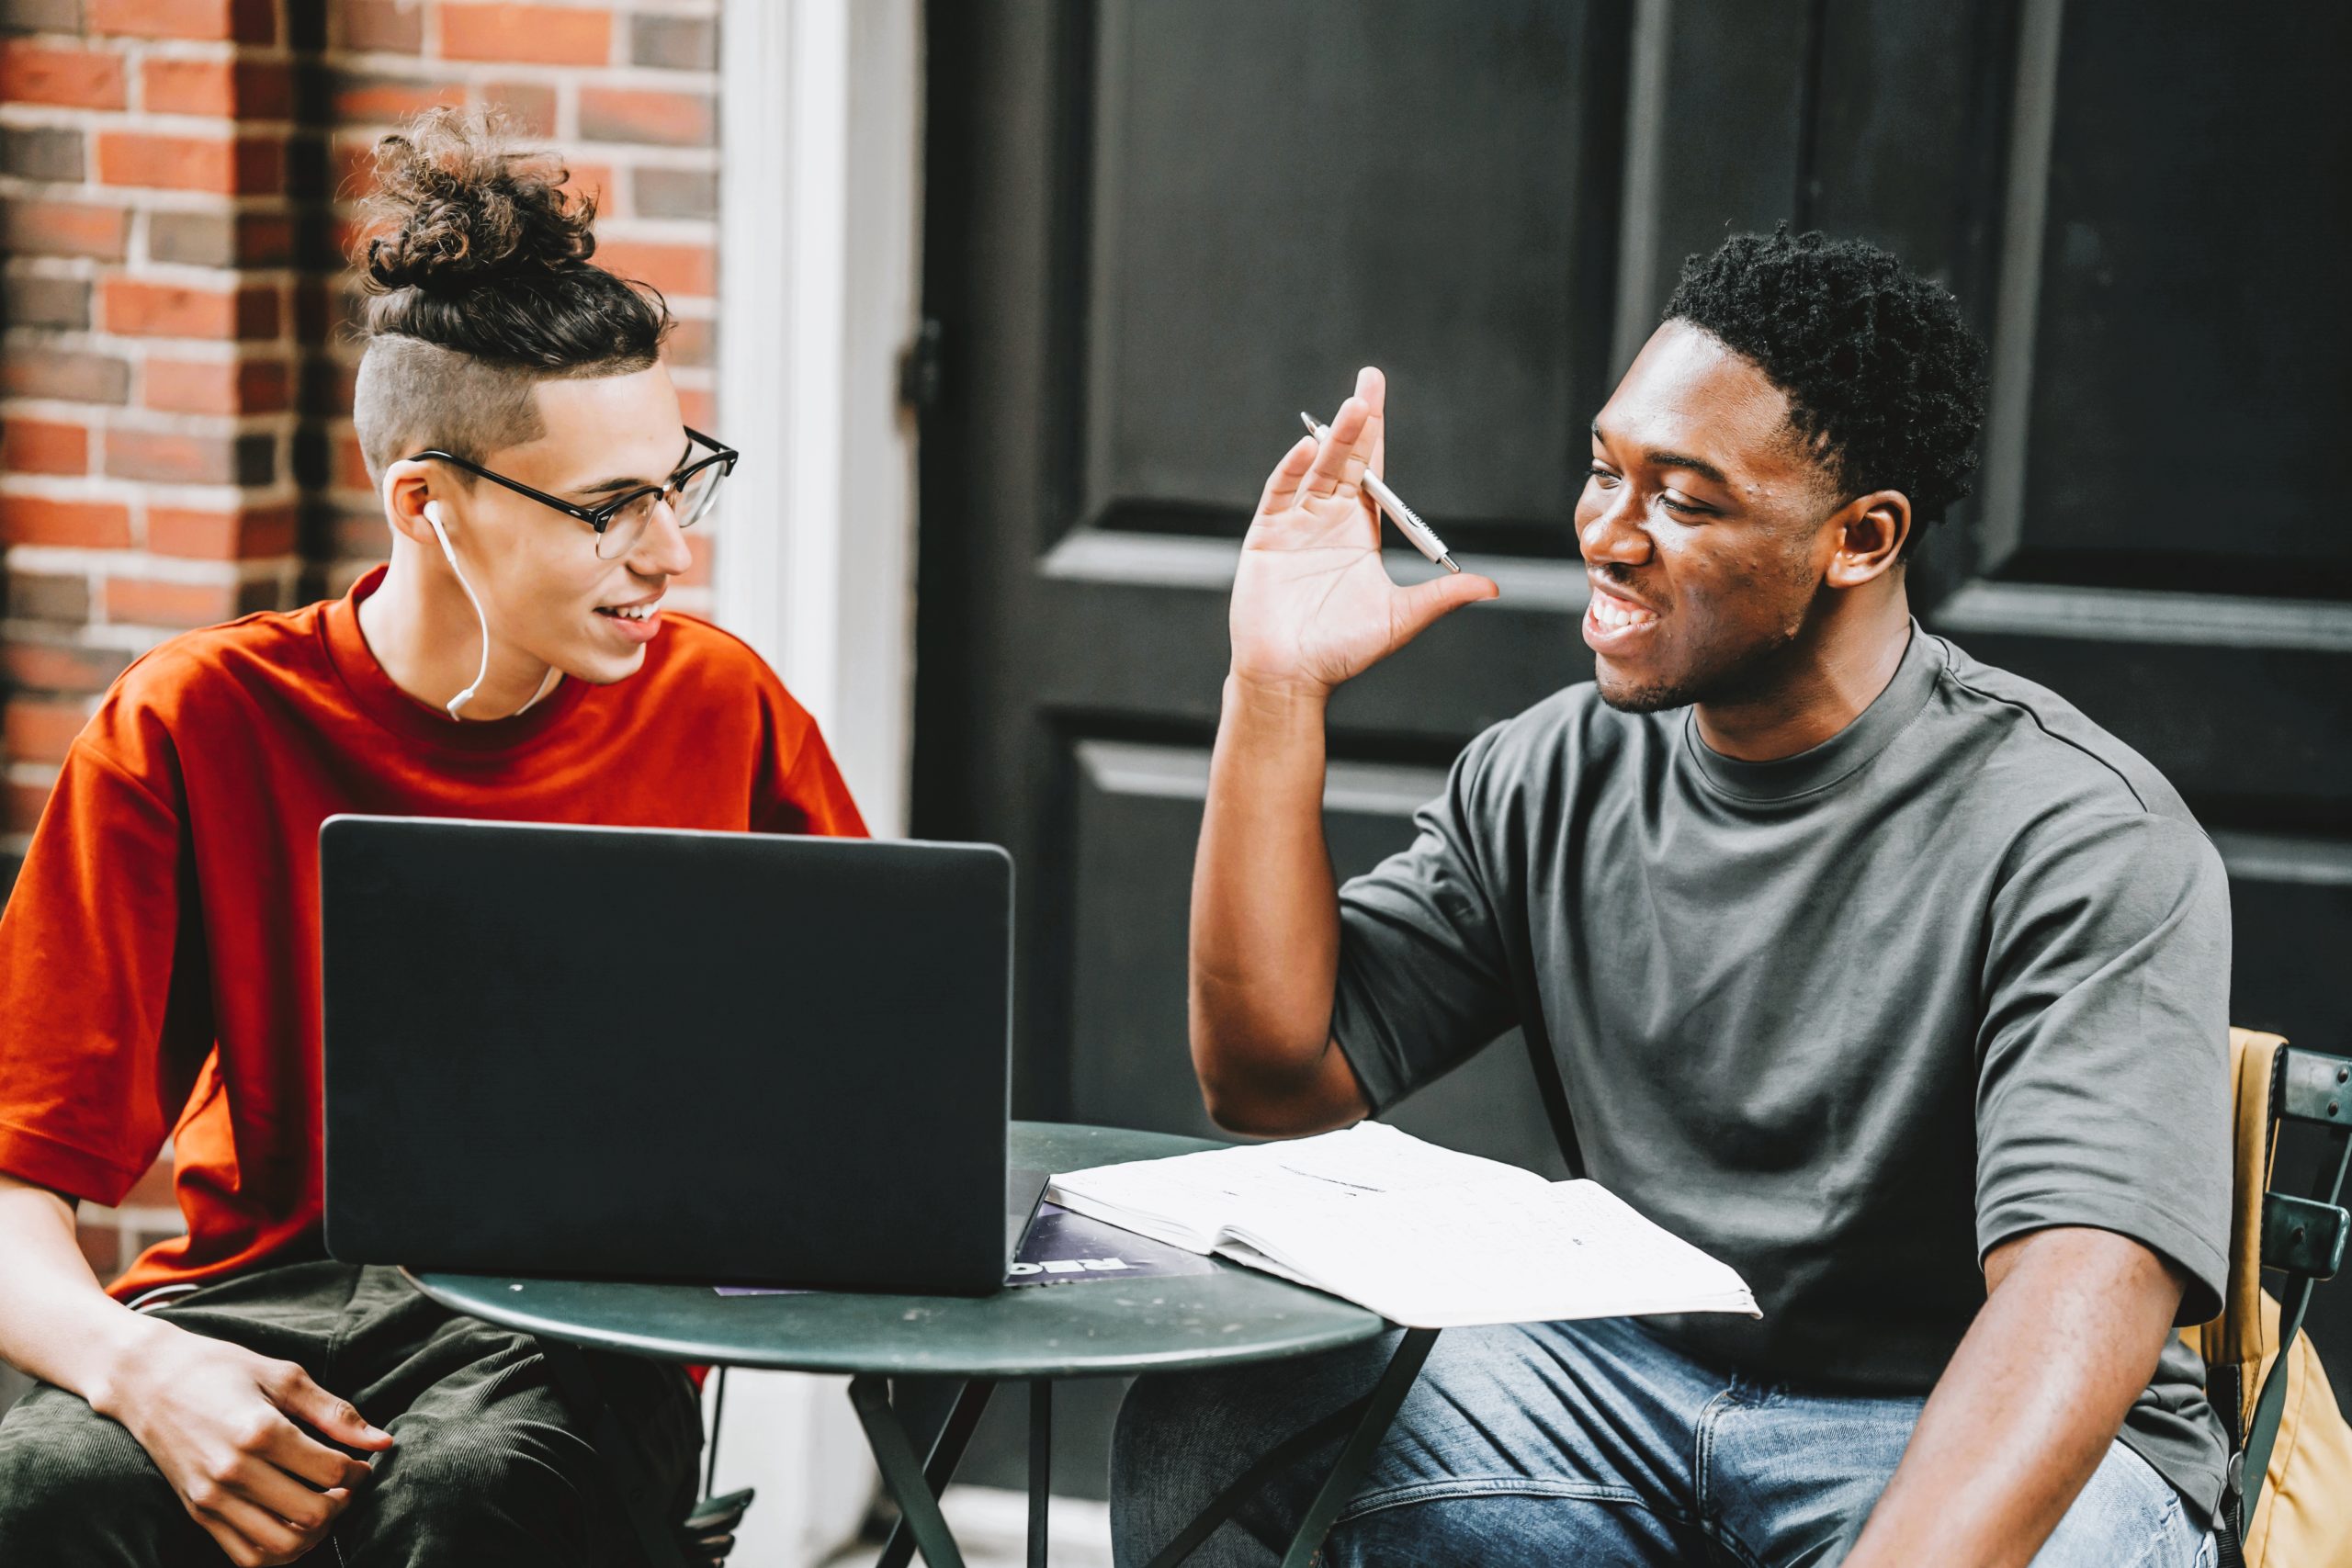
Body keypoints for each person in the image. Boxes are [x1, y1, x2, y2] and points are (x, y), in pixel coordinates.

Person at [1114, 229, 2229, 1567]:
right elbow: (1275, 1080)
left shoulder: (2077, 832)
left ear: (1861, 539)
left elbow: (2077, 1299)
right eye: (1605, 472)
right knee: (1225, 1418)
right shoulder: (1551, 772)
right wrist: (1276, 690)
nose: (1605, 534)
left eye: (1687, 503)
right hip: (1621, 1396)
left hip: (1935, 1420)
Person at [0, 108, 865, 1565]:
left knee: (475, 1493)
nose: (669, 550)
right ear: (426, 504)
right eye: (610, 508)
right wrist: (135, 1368)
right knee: (42, 1487)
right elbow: (18, 1186)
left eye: (678, 481)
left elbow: (860, 1101)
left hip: (579, 1342)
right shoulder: (194, 722)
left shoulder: (724, 710)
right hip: (255, 1303)